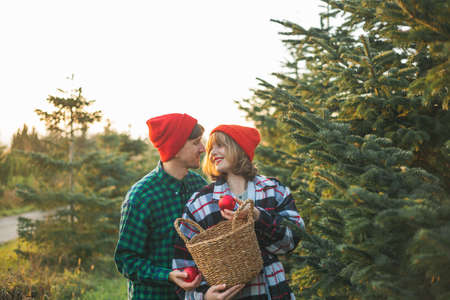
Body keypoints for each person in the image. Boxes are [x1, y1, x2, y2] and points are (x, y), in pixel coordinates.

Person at [173, 124, 305, 300]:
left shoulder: (273, 190)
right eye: (211, 148)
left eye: (220, 145)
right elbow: (183, 263)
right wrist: (203, 297)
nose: (212, 153)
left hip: (272, 291)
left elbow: (291, 240)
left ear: (239, 148)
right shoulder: (201, 202)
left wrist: (258, 216)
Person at [115, 113, 207, 300]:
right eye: (196, 142)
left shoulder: (198, 186)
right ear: (176, 147)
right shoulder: (141, 197)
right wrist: (167, 275)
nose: (203, 148)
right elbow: (126, 261)